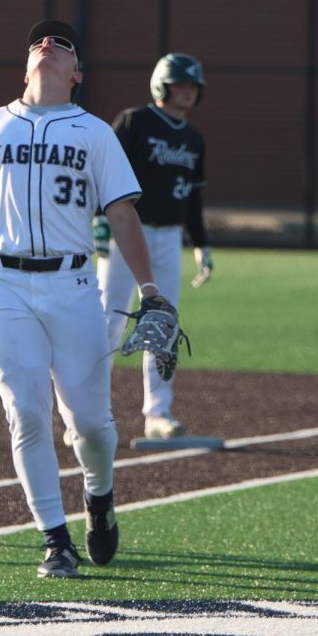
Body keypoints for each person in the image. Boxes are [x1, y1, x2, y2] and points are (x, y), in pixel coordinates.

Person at [0, 20, 169, 579]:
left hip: (75, 285)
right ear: (25, 65)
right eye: (38, 41)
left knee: (92, 426)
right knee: (26, 413)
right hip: (2, 284)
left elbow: (123, 212)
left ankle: (99, 496)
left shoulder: (94, 133)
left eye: (63, 43)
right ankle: (55, 539)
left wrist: (149, 289)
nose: (47, 44)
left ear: (76, 74)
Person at [94, 52, 213, 440]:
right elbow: (102, 172)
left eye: (193, 86)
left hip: (167, 237)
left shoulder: (193, 138)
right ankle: (89, 411)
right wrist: (98, 220)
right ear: (162, 84)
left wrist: (201, 244)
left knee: (164, 322)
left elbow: (192, 199)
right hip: (126, 231)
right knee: (108, 320)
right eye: (182, 84)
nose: (188, 92)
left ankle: (158, 413)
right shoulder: (135, 122)